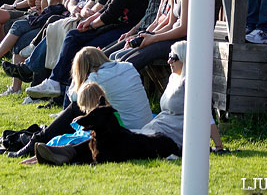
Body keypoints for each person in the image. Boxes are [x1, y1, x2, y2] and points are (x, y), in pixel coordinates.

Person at [33, 41, 225, 165]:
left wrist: (218, 146)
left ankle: (65, 154)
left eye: (173, 58)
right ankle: (64, 155)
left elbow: (206, 117)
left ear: (185, 59)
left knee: (113, 142)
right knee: (111, 140)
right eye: (168, 56)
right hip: (151, 127)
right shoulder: (174, 79)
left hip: (166, 135)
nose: (168, 61)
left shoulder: (191, 83)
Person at [7, 46, 152, 158]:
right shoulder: (128, 67)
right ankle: (38, 138)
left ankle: (36, 142)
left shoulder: (96, 78)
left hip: (124, 129)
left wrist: (77, 79)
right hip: (144, 122)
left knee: (76, 107)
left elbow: (73, 96)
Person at [2, 0, 102, 93]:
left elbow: (52, 2)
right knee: (16, 26)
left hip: (75, 20)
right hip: (66, 17)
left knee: (36, 34)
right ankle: (17, 79)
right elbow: (67, 0)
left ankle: (29, 77)